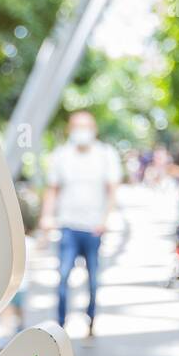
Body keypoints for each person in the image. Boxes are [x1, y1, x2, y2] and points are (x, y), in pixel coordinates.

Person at [39, 110, 120, 338]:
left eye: (86, 126)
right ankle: (60, 327)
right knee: (63, 276)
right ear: (70, 129)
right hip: (68, 226)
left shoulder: (105, 155)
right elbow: (52, 190)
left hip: (94, 228)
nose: (82, 131)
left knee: (93, 279)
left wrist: (105, 221)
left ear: (94, 130)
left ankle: (90, 320)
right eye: (77, 126)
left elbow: (112, 189)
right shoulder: (61, 155)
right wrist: (47, 217)